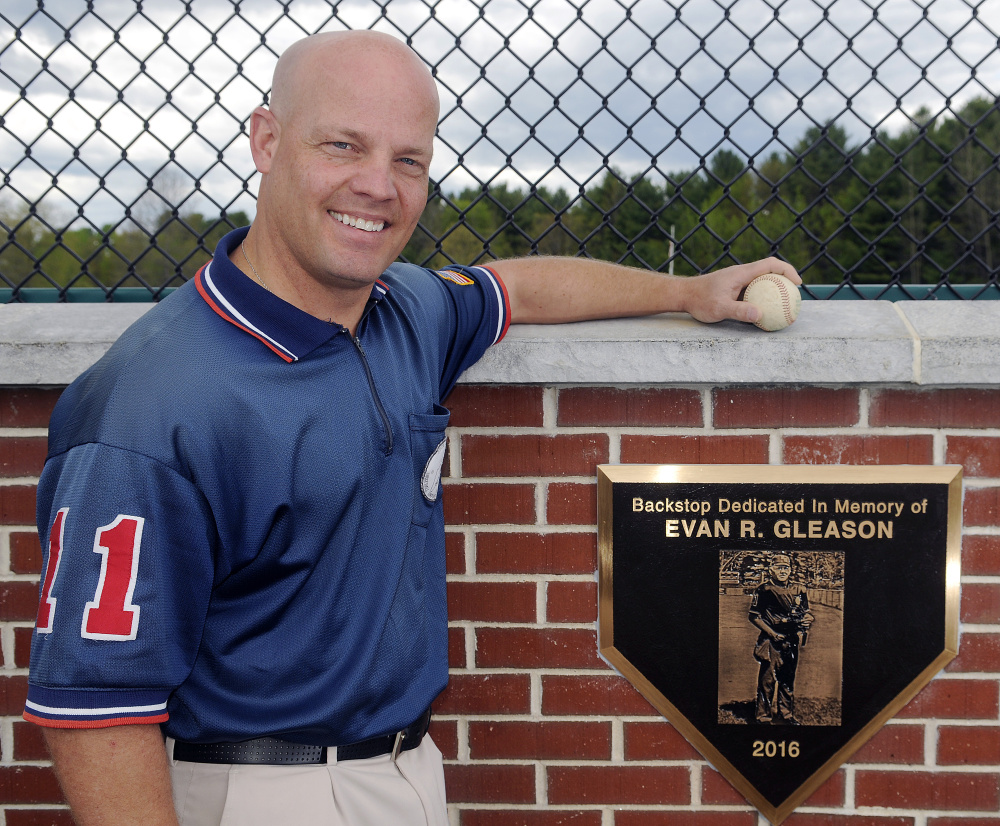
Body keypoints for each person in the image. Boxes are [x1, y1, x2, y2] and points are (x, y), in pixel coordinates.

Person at [25, 30, 801, 826]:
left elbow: (519, 288)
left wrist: (689, 291)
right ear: (266, 140)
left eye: (409, 161)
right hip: (254, 791)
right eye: (342, 145)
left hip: (405, 775)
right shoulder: (150, 404)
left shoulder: (403, 311)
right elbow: (97, 711)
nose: (378, 186)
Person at [749, 553, 814, 725]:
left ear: (791, 570)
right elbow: (754, 616)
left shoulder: (799, 589)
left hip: (791, 641)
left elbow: (805, 612)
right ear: (771, 569)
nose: (783, 571)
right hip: (771, 641)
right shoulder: (764, 589)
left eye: (786, 568)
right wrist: (772, 633)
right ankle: (763, 716)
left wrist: (808, 619)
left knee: (787, 680)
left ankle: (786, 715)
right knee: (767, 681)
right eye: (779, 567)